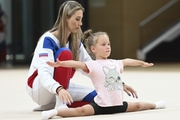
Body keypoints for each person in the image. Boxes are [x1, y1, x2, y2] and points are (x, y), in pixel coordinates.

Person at [26, 0, 138, 111]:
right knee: (65, 53)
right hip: (40, 88)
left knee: (99, 99)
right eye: (77, 19)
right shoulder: (48, 40)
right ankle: (59, 102)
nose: (80, 24)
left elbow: (93, 67)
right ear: (66, 18)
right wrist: (59, 89)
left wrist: (119, 83)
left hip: (60, 88)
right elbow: (44, 73)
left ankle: (52, 105)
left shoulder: (75, 43)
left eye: (81, 19)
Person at [42, 29, 166, 119]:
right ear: (93, 49)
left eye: (108, 44)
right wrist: (61, 64)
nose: (107, 47)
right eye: (103, 44)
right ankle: (55, 112)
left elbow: (127, 61)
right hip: (101, 105)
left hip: (118, 104)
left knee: (139, 105)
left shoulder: (115, 62)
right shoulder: (92, 65)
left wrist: (141, 63)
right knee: (80, 111)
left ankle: (156, 104)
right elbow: (76, 63)